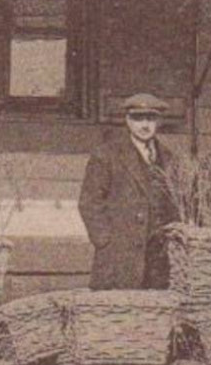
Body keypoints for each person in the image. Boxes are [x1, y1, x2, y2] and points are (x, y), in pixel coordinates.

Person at [77, 93, 182, 290]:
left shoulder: (169, 159)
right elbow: (89, 202)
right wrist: (105, 242)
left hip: (158, 260)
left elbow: (175, 204)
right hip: (119, 256)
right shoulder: (107, 154)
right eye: (138, 118)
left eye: (150, 118)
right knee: (117, 314)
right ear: (127, 120)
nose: (144, 125)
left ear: (158, 121)